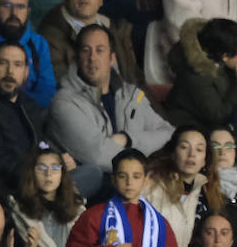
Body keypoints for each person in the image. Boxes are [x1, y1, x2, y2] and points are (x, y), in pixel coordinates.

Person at [48, 24, 173, 172]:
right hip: (96, 190)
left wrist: (128, 139)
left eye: (99, 50)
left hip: (137, 184)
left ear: (112, 58)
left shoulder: (131, 94)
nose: (92, 58)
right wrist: (147, 168)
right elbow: (99, 156)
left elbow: (169, 134)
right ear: (77, 57)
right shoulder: (63, 103)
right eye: (86, 51)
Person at [0, 42, 51, 192]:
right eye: (2, 63)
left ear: (26, 72)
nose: (10, 71)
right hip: (9, 186)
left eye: (17, 65)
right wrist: (34, 177)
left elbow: (42, 144)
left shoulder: (29, 104)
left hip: (40, 178)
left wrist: (57, 164)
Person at [37, 0, 141, 86]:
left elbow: (137, 83)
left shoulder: (115, 29)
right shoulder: (50, 37)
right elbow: (62, 89)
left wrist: (140, 103)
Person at [164, 19, 237, 132]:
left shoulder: (218, 60)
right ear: (225, 56)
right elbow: (218, 116)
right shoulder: (196, 76)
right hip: (190, 130)